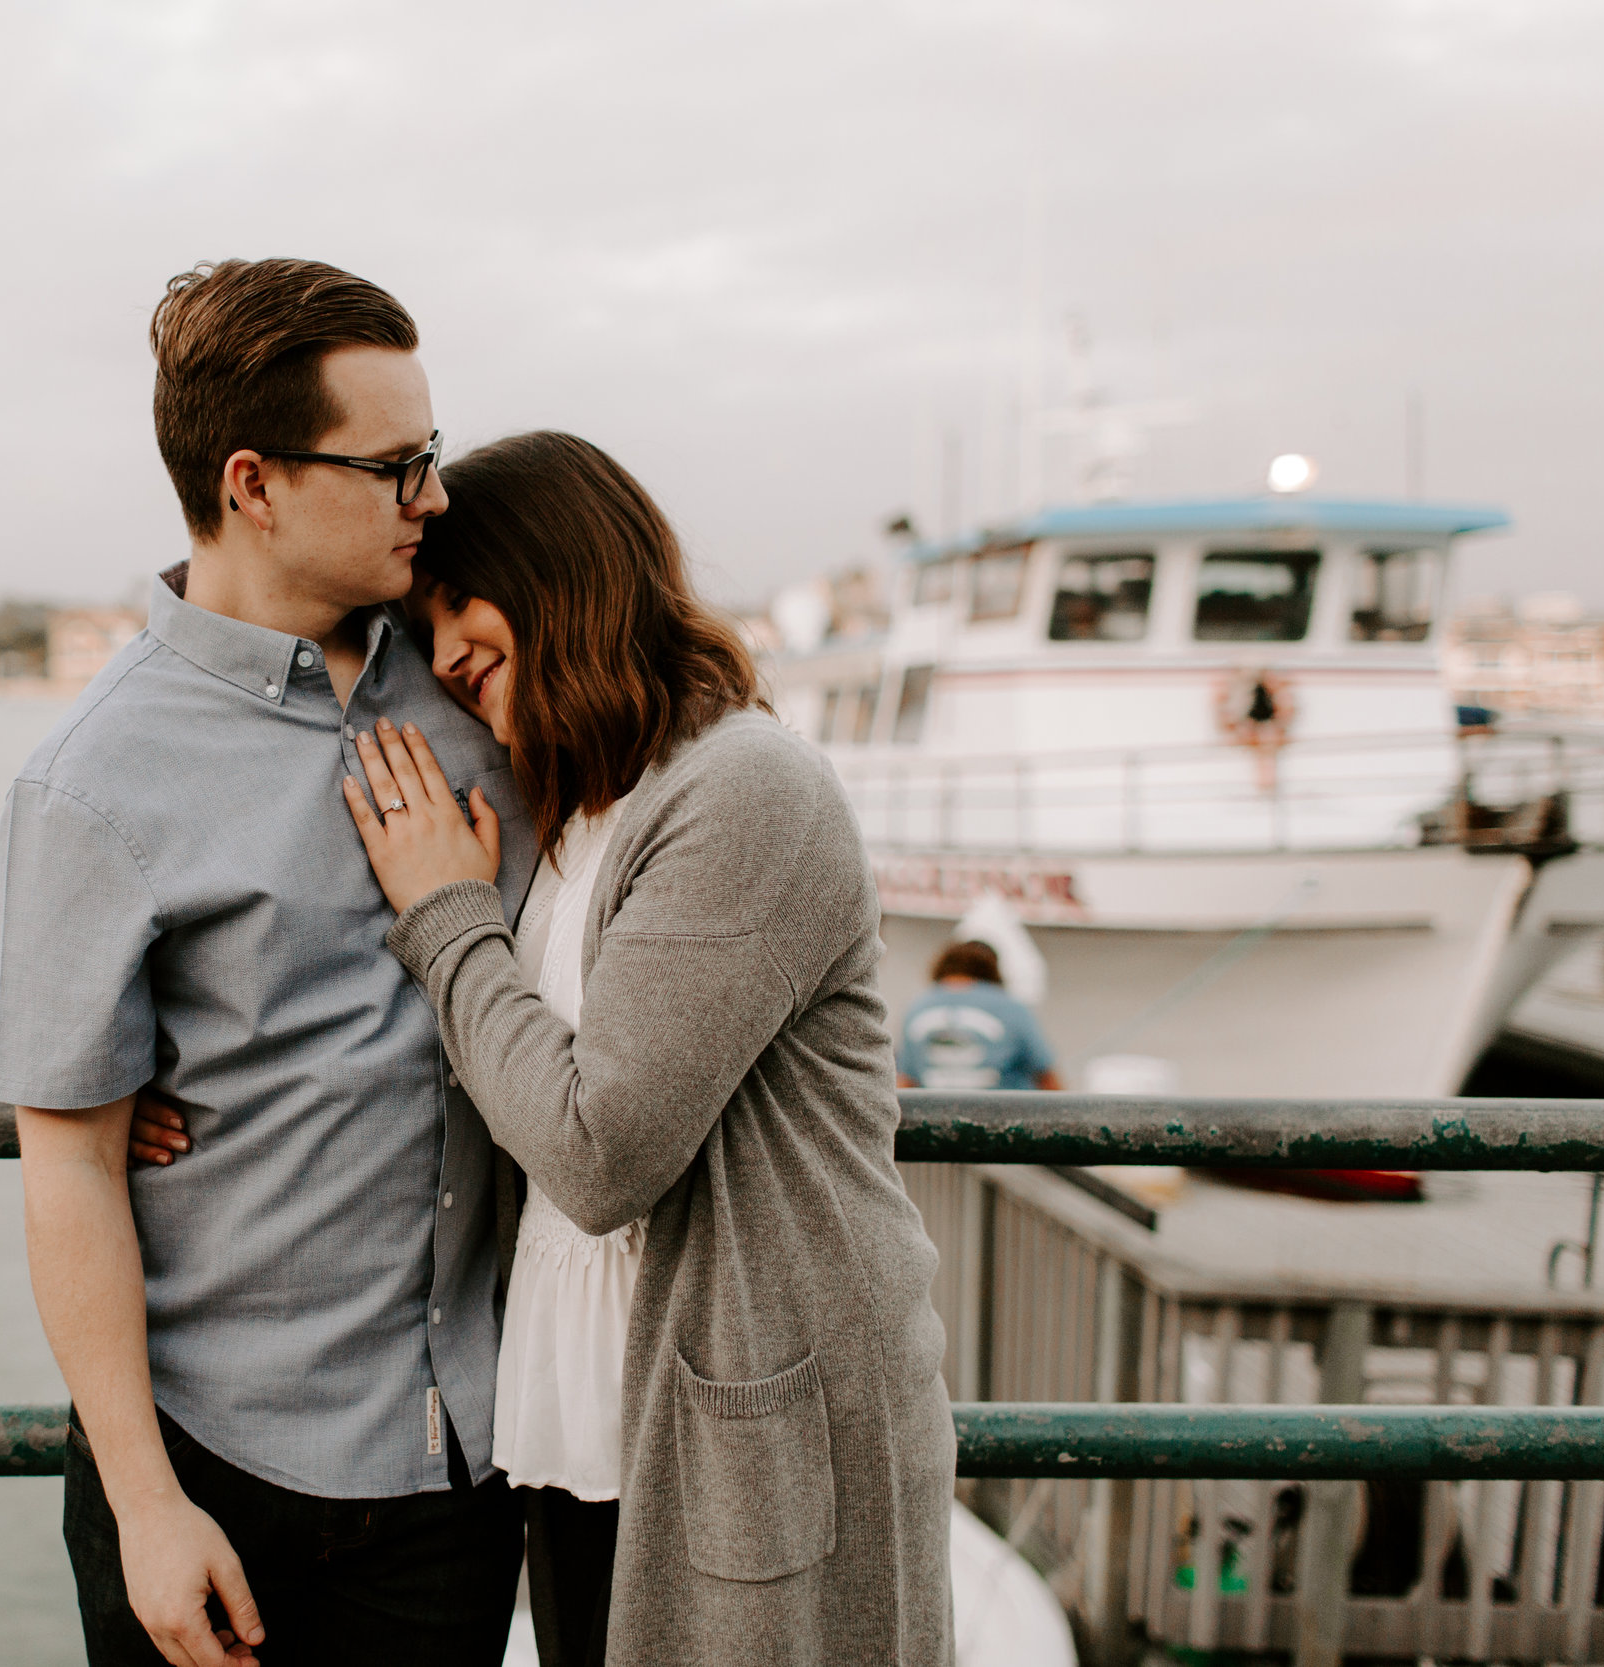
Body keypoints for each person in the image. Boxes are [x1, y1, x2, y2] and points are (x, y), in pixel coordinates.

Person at [247, 430, 954, 1665]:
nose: (443, 645)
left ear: (561, 568)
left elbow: (599, 1145)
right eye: (420, 617)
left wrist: (443, 913)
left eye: (457, 597)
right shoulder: (571, 808)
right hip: (585, 1421)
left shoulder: (742, 789)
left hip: (742, 1423)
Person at [0, 259, 534, 1667]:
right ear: (255, 482)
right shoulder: (92, 781)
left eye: (435, 456)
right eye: (397, 466)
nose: (435, 496)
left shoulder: (488, 679)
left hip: (464, 1475)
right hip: (213, 1475)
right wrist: (146, 1506)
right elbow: (65, 1160)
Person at [894, 939, 1063, 1091]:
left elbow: (905, 1082)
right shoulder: (1012, 1008)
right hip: (1002, 1121)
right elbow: (1047, 1077)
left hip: (934, 1121)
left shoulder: (917, 1007)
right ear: (992, 970)